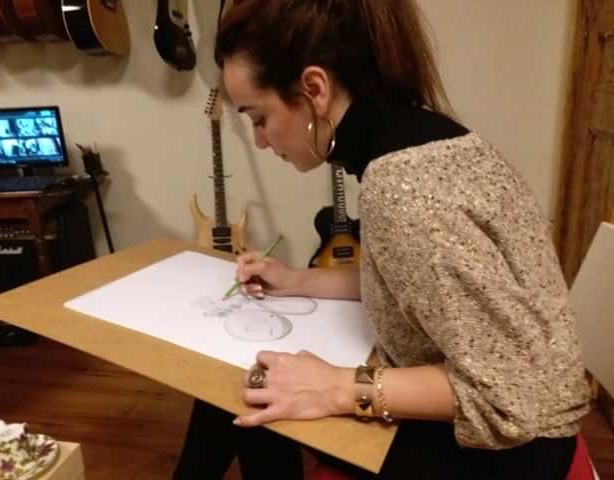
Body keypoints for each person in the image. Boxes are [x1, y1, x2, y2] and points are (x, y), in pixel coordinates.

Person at [174, 0, 591, 478]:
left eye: (258, 118)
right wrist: (294, 280)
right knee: (249, 387)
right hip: (517, 419)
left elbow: (504, 393)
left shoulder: (401, 186)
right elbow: (411, 288)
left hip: (511, 451)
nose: (261, 141)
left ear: (314, 89)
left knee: (243, 389)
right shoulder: (426, 136)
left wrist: (337, 388)